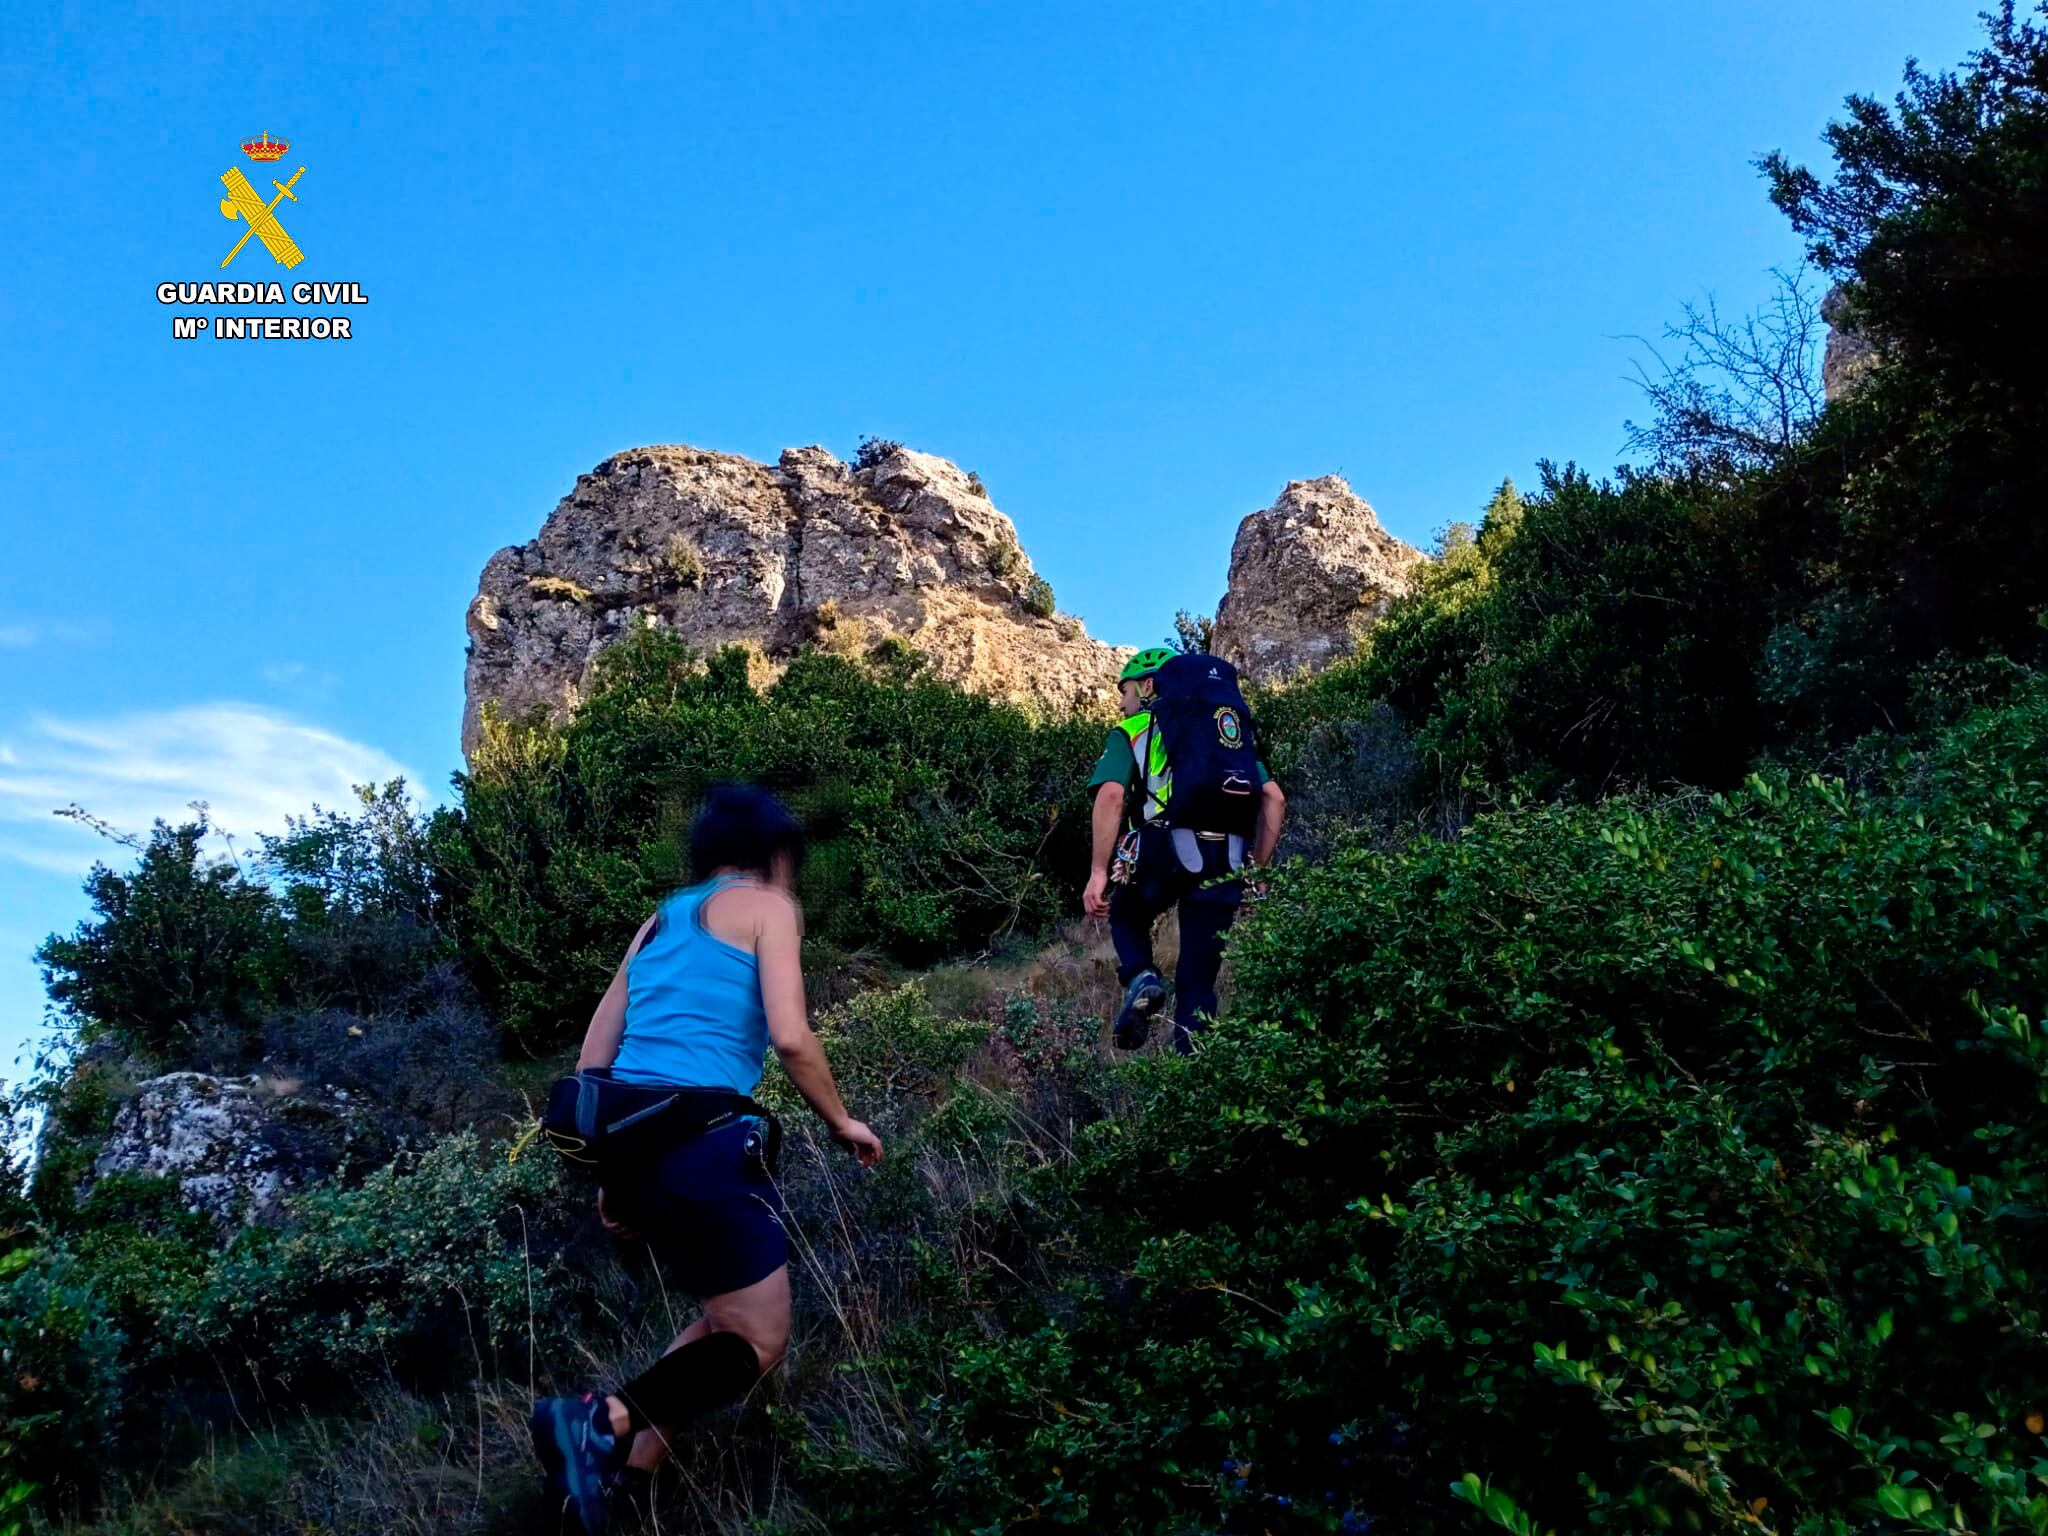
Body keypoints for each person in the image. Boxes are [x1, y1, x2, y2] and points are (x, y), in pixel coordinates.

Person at [529, 783, 884, 1536]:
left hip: (631, 1143)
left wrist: (613, 1181)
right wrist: (842, 1120)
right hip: (708, 1141)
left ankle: (628, 1476)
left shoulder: (656, 922)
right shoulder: (768, 908)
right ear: (775, 855)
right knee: (759, 1340)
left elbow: (596, 1056)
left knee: (720, 1317)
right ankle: (595, 1422)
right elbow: (790, 1037)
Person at [1082, 648, 1287, 1053]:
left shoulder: (1135, 730)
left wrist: (1098, 871)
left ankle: (1141, 976)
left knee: (1126, 915)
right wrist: (1256, 874)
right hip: (1224, 856)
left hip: (1162, 847)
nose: (1122, 703)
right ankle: (1196, 1079)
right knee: (1198, 981)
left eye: (1125, 691)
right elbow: (1274, 799)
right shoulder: (1229, 736)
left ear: (1148, 685)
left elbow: (1111, 796)